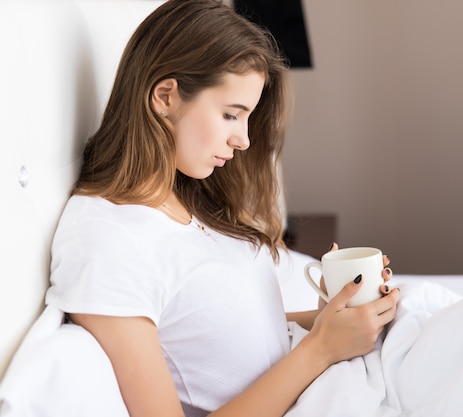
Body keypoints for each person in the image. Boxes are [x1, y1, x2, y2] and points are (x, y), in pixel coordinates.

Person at [44, 1, 401, 416]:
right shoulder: (106, 240)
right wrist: (321, 349)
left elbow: (215, 331)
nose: (244, 140)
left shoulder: (184, 196)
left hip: (335, 379)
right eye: (232, 115)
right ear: (165, 96)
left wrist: (328, 319)